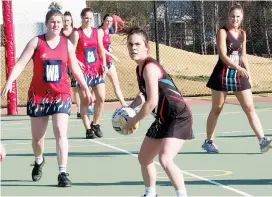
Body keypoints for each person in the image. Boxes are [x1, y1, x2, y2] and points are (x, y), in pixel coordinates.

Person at [1, 2, 92, 187]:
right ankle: (39, 160)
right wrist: (10, 80)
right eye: (52, 22)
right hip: (39, 97)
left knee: (60, 131)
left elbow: (75, 67)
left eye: (59, 22)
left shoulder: (66, 44)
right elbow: (20, 64)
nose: (56, 25)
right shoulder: (36, 42)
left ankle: (63, 172)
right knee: (38, 139)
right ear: (46, 23)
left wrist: (85, 87)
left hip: (61, 95)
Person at [121, 27, 194, 197]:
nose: (133, 48)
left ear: (146, 46)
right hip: (163, 118)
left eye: (137, 44)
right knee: (144, 158)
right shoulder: (139, 69)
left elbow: (152, 101)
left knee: (165, 159)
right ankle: (150, 193)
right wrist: (131, 107)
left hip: (178, 116)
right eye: (130, 44)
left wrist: (134, 120)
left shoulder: (149, 68)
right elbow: (143, 95)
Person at [203, 3, 272, 153]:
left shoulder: (243, 34)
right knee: (216, 109)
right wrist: (238, 68)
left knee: (249, 108)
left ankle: (262, 140)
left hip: (239, 75)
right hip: (222, 74)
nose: (235, 19)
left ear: (242, 18)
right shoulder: (222, 32)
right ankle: (209, 141)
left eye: (238, 16)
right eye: (232, 16)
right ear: (228, 16)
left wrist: (249, 73)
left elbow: (244, 56)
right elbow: (222, 55)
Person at [71, 7, 106, 139]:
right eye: (86, 18)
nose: (89, 20)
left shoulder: (98, 32)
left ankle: (96, 124)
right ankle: (88, 129)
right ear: (82, 18)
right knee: (85, 101)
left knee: (101, 98)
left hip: (96, 69)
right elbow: (71, 52)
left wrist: (103, 64)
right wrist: (76, 62)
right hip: (82, 72)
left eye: (91, 18)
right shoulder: (77, 33)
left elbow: (101, 49)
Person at [61, 11, 94, 118]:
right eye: (64, 20)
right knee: (65, 86)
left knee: (77, 86)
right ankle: (65, 107)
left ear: (71, 21)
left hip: (74, 62)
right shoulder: (59, 32)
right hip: (62, 61)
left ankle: (81, 108)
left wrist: (76, 61)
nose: (66, 22)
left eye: (68, 20)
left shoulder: (75, 32)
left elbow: (75, 49)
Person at [98, 14, 127, 106]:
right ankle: (89, 105)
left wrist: (110, 56)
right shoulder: (100, 31)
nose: (109, 23)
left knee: (116, 84)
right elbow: (100, 48)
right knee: (98, 87)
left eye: (110, 21)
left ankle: (124, 105)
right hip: (101, 64)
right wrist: (112, 55)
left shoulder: (107, 31)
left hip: (109, 63)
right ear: (103, 20)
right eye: (107, 21)